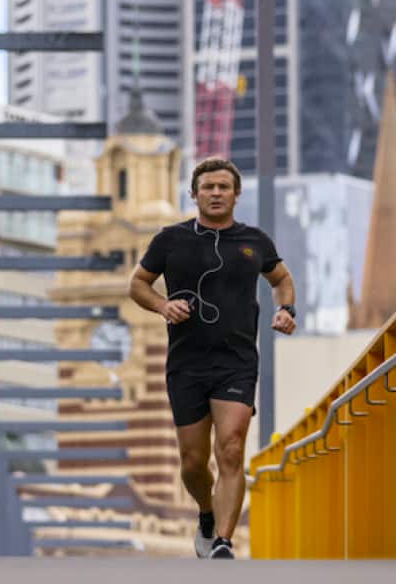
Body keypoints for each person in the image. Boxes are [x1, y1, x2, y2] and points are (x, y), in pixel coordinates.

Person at [129, 157, 296, 560]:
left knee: (233, 448)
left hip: (236, 361)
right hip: (186, 363)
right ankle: (206, 512)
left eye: (224, 187)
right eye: (208, 187)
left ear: (236, 194)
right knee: (192, 461)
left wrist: (287, 309)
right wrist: (163, 306)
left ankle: (223, 540)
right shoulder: (170, 239)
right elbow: (137, 284)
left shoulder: (255, 241)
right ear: (194, 194)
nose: (216, 193)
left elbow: (282, 280)